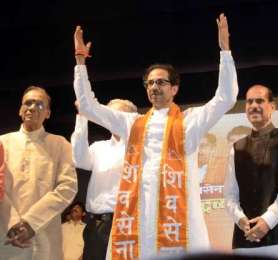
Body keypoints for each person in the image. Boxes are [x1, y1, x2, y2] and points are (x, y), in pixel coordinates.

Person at [72, 13, 238, 259]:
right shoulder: (133, 123)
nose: (154, 87)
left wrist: (225, 52)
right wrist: (80, 62)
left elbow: (225, 98)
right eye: (149, 83)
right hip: (138, 218)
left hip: (180, 217)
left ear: (174, 88)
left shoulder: (190, 122)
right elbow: (88, 106)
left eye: (161, 82)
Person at [224, 85, 278, 259]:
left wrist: (267, 221)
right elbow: (229, 194)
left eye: (259, 100)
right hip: (245, 240)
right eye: (249, 102)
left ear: (272, 106)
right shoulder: (237, 148)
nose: (253, 105)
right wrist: (241, 220)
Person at [0, 86, 78, 260]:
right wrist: (14, 223)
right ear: (20, 110)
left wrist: (31, 222)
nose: (32, 107)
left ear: (48, 113)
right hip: (7, 233)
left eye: (40, 104)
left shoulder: (60, 144)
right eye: (28, 103)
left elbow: (68, 187)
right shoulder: (2, 143)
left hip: (45, 233)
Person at [71, 99, 137, 260]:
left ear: (132, 118)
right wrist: (82, 116)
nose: (111, 118)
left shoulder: (141, 148)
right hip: (96, 225)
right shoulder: (99, 147)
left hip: (127, 225)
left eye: (116, 114)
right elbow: (78, 158)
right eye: (108, 114)